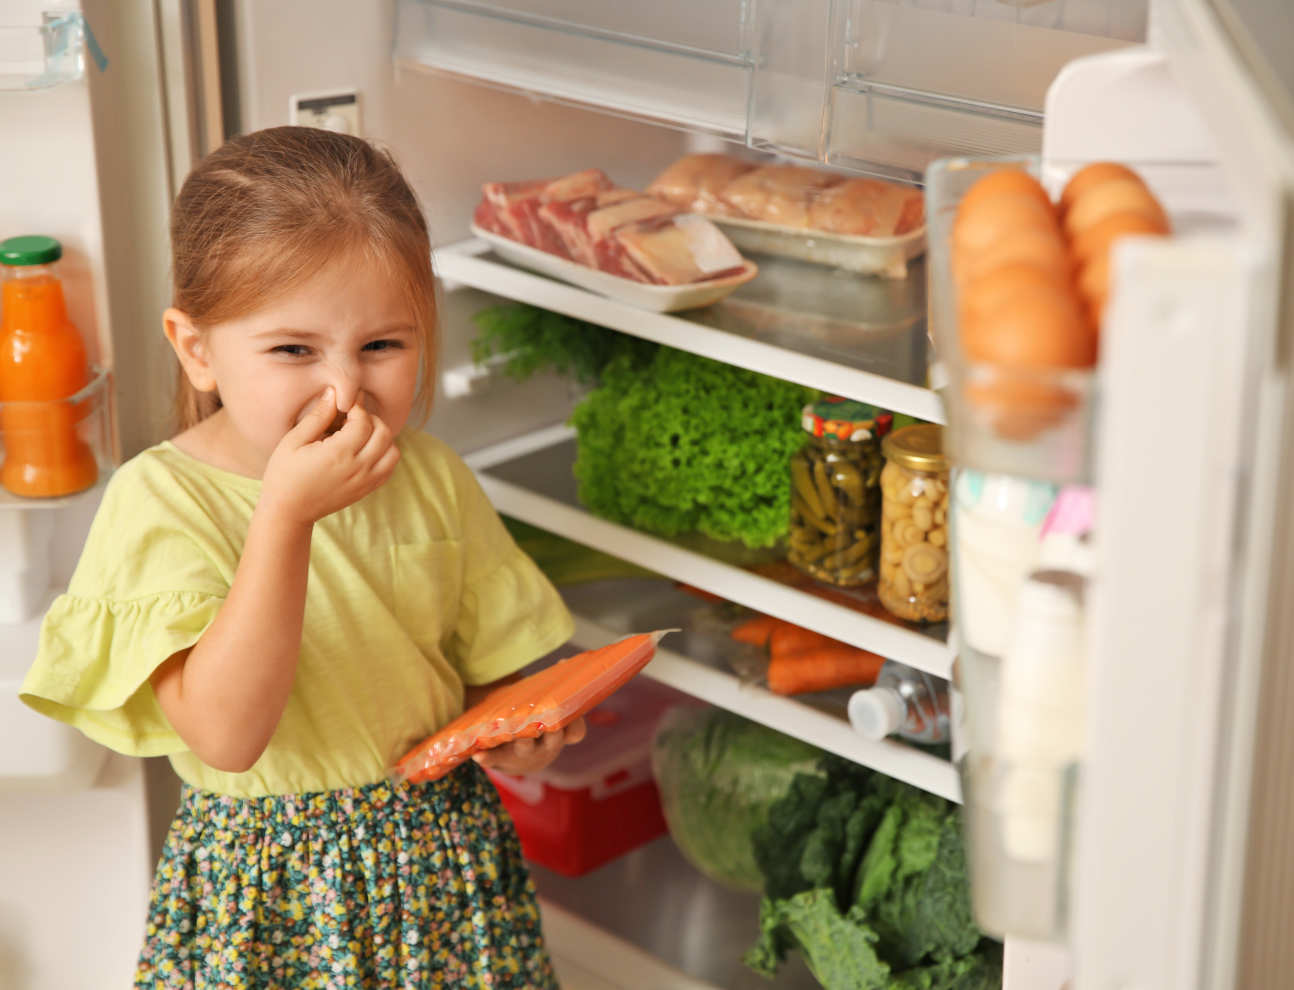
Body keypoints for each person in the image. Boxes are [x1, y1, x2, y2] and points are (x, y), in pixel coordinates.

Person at [20, 126, 582, 989]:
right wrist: (284, 517)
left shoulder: (430, 476)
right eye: (293, 350)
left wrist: (520, 730)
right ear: (198, 349)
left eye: (383, 346)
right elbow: (227, 735)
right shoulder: (162, 502)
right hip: (273, 894)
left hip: (444, 868)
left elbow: (484, 682)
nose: (345, 389)